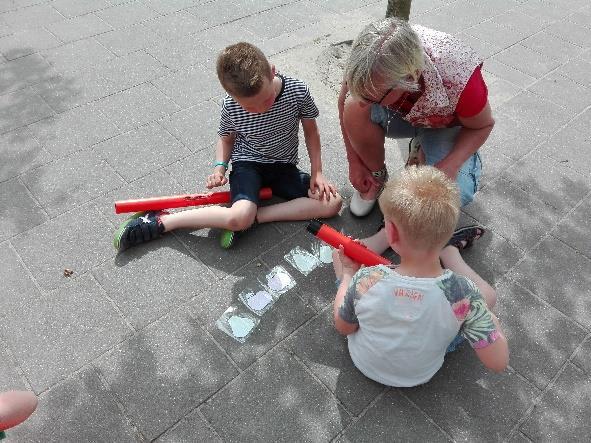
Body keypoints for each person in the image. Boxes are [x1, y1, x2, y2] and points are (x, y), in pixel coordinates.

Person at [114, 42, 342, 251]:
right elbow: (226, 138)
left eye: (267, 99)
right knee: (238, 216)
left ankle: (252, 218)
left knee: (332, 203)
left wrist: (317, 172)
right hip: (248, 165)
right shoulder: (230, 106)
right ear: (232, 96)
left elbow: (311, 131)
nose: (262, 109)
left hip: (283, 166)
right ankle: (162, 221)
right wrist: (219, 168)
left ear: (272, 71)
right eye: (251, 108)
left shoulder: (297, 91)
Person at [332, 166, 508, 387]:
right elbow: (498, 362)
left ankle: (385, 241)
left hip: (365, 361)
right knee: (488, 296)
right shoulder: (460, 294)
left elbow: (344, 327)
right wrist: (482, 314)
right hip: (419, 373)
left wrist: (349, 274)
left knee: (339, 258)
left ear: (391, 233)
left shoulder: (368, 279)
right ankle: (450, 252)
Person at [338, 18, 494, 252]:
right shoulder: (369, 60)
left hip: (447, 125)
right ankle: (377, 179)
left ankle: (388, 233)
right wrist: (355, 161)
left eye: (371, 97)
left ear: (409, 79)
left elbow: (482, 125)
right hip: (404, 114)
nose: (363, 102)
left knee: (451, 193)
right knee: (353, 108)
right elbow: (346, 102)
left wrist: (449, 165)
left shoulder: (459, 77)